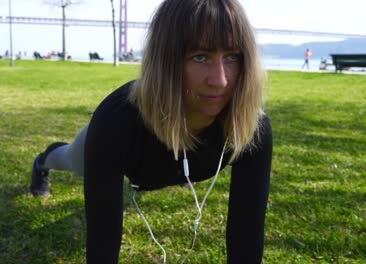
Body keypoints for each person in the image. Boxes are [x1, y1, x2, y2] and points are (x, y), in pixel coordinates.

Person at [29, 0, 272, 263]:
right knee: (70, 158)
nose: (220, 80)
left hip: (170, 167)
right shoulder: (115, 121)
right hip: (119, 146)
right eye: (200, 57)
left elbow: (246, 232)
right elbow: (102, 241)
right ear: (165, 60)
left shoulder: (251, 127)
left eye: (232, 57)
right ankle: (43, 161)